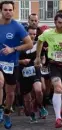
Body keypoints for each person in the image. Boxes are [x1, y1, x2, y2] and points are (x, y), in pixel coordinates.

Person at [0, 1, 33, 129]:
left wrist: (13, 49)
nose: (8, 12)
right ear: (1, 11)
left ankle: (7, 112)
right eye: (5, 10)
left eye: (10, 10)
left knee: (10, 93)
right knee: (0, 82)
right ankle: (0, 110)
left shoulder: (17, 26)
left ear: (13, 11)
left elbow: (29, 44)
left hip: (11, 63)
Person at [18, 25, 48, 124]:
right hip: (23, 72)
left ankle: (40, 106)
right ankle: (32, 115)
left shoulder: (38, 44)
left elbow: (43, 57)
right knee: (27, 99)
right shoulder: (19, 45)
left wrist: (41, 62)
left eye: (34, 34)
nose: (32, 36)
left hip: (35, 70)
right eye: (30, 34)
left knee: (39, 90)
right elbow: (14, 60)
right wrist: (22, 61)